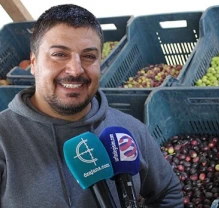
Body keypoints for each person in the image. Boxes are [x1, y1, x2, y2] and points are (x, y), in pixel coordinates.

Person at [0, 4, 183, 208]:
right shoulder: (3, 140)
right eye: (59, 54)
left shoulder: (129, 131)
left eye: (89, 56)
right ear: (33, 63)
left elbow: (168, 192)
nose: (75, 70)